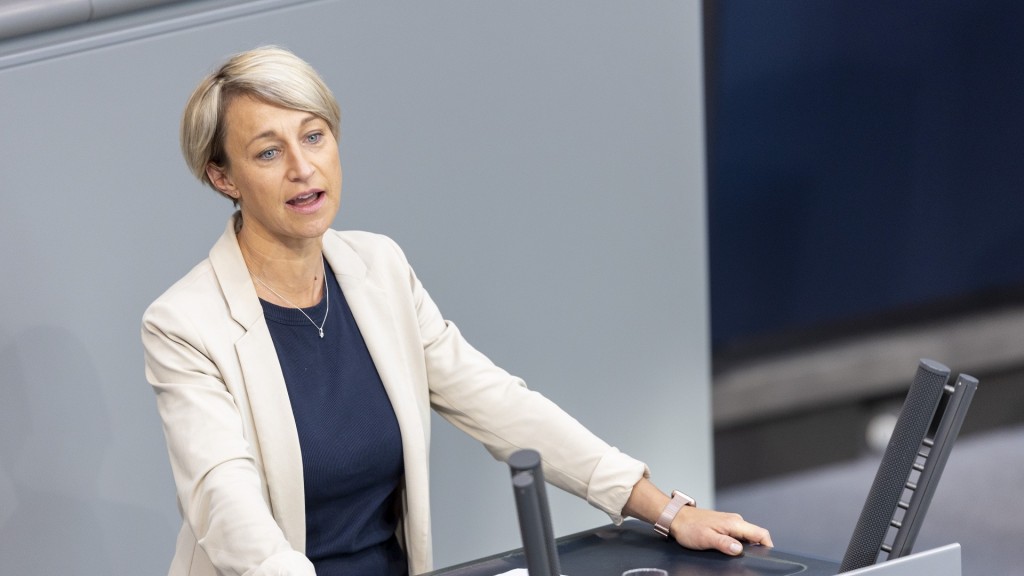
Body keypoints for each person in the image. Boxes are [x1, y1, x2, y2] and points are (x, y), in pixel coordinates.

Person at [142, 45, 772, 576]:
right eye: (269, 152)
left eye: (314, 135)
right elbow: (226, 507)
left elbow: (500, 404)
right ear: (223, 177)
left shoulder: (378, 268)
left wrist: (666, 510)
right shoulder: (185, 324)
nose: (304, 168)